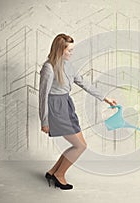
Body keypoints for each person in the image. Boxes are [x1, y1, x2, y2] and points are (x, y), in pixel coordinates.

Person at [39, 33, 117, 190]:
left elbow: (84, 83)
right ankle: (59, 175)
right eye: (69, 50)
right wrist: (45, 121)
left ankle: (53, 171)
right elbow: (43, 95)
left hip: (67, 105)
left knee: (80, 145)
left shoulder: (68, 65)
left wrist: (105, 98)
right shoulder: (48, 68)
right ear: (60, 49)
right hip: (56, 108)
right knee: (79, 146)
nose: (71, 53)